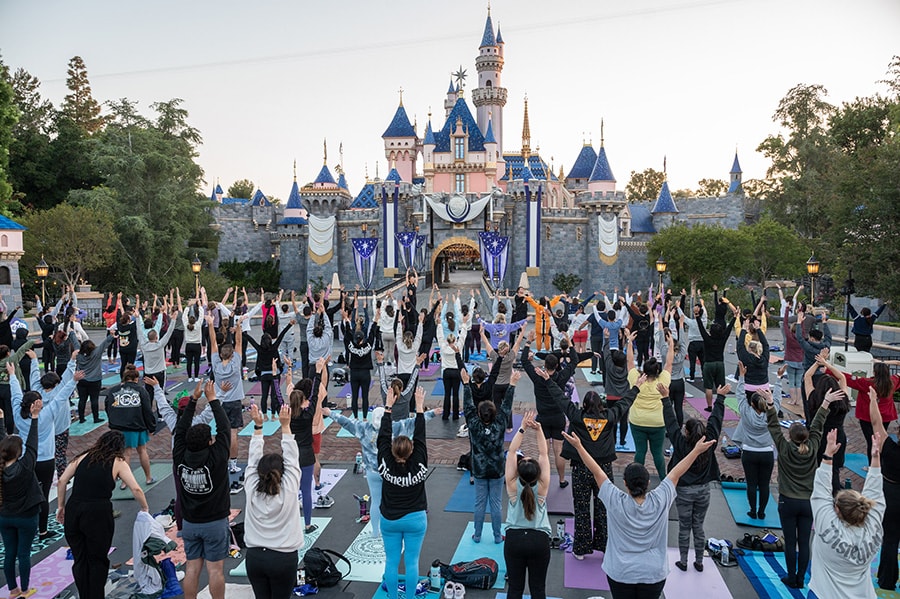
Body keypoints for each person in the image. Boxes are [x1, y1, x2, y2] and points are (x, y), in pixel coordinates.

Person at [563, 426, 715, 599]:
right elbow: (676, 473)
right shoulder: (660, 499)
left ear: (625, 484)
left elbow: (597, 471)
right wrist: (696, 451)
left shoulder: (615, 499)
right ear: (648, 482)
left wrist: (579, 447)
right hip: (653, 574)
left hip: (620, 573)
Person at [557, 368, 640, 559]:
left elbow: (560, 399)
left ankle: (581, 548)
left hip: (580, 469)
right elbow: (625, 402)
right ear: (601, 405)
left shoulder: (577, 417)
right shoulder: (609, 417)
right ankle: (604, 546)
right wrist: (636, 387)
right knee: (603, 509)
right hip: (603, 471)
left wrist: (548, 381)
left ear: (584, 405)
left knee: (581, 508)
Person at [56, 430, 149, 599]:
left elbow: (62, 480)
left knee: (80, 557)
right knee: (97, 558)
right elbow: (135, 488)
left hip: (74, 508)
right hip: (98, 512)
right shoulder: (118, 462)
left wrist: (61, 506)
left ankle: (84, 595)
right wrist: (145, 508)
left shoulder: (82, 457)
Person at [766, 384, 833, 590]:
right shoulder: (812, 447)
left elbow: (774, 427)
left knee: (791, 541)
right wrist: (825, 403)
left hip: (788, 500)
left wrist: (770, 403)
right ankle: (801, 578)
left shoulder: (785, 448)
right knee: (804, 542)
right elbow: (818, 426)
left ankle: (791, 576)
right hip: (807, 502)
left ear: (791, 437)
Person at [808, 427, 885, 599]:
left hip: (823, 593)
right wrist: (875, 457)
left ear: (837, 510)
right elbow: (875, 492)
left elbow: (821, 489)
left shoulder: (825, 524)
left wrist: (828, 454)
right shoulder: (873, 528)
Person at [173, 380, 231, 599]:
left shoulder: (180, 455)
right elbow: (225, 427)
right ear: (209, 442)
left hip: (190, 522)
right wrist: (213, 399)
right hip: (215, 522)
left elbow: (180, 430)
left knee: (192, 568)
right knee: (215, 570)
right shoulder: (216, 457)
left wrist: (194, 400)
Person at [661, 381, 726, 572]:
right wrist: (720, 398)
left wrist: (665, 399)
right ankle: (699, 561)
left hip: (684, 491)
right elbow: (715, 421)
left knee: (684, 526)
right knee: (698, 526)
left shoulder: (681, 444)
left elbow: (671, 423)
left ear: (686, 432)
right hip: (704, 491)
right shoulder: (709, 443)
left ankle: (683, 560)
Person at [13, 356, 79, 541]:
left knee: (27, 493)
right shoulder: (47, 413)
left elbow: (16, 394)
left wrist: (13, 376)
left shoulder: (20, 416)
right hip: (46, 460)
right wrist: (73, 377)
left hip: (27, 459)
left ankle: (26, 527)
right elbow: (63, 393)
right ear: (37, 404)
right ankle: (42, 530)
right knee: (42, 495)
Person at [244, 404, 303, 599]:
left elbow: (252, 461)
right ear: (281, 474)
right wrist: (285, 427)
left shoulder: (251, 487)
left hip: (255, 558)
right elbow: (293, 460)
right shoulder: (289, 487)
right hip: (283, 558)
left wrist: (258, 428)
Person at [379, 386, 430, 599]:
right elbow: (420, 435)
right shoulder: (419, 460)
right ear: (412, 451)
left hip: (389, 519)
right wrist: (419, 407)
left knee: (391, 561)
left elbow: (383, 435)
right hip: (415, 519)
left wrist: (388, 407)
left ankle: (392, 597)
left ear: (391, 451)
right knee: (412, 562)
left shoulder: (385, 460)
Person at [463, 366, 517, 544]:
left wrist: (466, 385)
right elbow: (507, 406)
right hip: (496, 469)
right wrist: (512, 385)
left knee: (479, 503)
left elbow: (468, 406)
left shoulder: (473, 423)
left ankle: (477, 535)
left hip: (478, 469)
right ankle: (496, 536)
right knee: (495, 504)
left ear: (479, 414)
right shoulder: (500, 422)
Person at [521, 331, 579, 487]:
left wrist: (528, 343)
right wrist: (570, 343)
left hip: (543, 418)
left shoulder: (538, 376)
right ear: (557, 366)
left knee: (543, 451)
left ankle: (543, 479)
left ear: (545, 365)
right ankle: (561, 479)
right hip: (558, 416)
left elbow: (524, 362)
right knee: (558, 449)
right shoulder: (561, 377)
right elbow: (574, 361)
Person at [503, 412, 551, 599]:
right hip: (539, 540)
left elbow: (512, 452)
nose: (527, 456)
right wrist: (539, 430)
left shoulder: (512, 484)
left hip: (514, 540)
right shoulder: (543, 485)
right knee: (538, 589)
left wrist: (522, 427)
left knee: (515, 588)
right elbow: (544, 453)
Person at [0, 399, 44, 599]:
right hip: (27, 516)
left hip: (5, 516)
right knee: (23, 553)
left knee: (9, 553)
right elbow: (33, 444)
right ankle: (25, 589)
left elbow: (4, 444)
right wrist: (35, 418)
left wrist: (1, 423)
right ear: (19, 453)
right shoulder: (26, 466)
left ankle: (12, 590)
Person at [733, 362, 782, 520]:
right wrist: (779, 379)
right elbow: (777, 401)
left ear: (752, 404)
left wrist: (742, 376)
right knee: (764, 484)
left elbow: (740, 395)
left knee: (751, 484)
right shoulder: (771, 415)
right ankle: (762, 512)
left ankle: (753, 510)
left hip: (749, 452)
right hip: (766, 452)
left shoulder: (746, 412)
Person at [627, 328, 674, 481]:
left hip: (637, 421)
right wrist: (671, 345)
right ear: (657, 370)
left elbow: (629, 363)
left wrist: (629, 343)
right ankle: (663, 479)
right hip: (657, 423)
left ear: (644, 370)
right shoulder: (662, 381)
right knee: (657, 454)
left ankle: (635, 481)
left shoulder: (636, 379)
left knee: (640, 452)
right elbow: (669, 363)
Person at [865, 387, 900, 591]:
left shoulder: (889, 447)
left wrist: (873, 401)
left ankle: (887, 580)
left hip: (889, 495)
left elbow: (876, 423)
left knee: (889, 539)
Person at [289, 358, 329, 533]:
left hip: (291, 453)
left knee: (290, 490)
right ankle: (307, 524)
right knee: (306, 490)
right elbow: (314, 395)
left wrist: (281, 373)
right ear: (304, 401)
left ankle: (289, 523)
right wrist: (319, 371)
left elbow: (280, 389)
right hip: (305, 454)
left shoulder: (287, 413)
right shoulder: (308, 414)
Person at [106, 364, 158, 487]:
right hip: (137, 425)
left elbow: (108, 407)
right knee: (142, 451)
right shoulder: (141, 390)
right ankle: (148, 477)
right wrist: (151, 427)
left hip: (119, 426)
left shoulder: (113, 390)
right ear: (136, 379)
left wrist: (112, 422)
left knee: (126, 453)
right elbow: (147, 409)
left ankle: (124, 481)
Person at [207, 314, 245, 479]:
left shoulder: (215, 363)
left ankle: (220, 461)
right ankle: (233, 464)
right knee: (233, 433)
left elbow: (213, 342)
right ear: (231, 354)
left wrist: (210, 324)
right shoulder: (236, 362)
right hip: (234, 401)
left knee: (220, 433)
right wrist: (238, 325)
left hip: (220, 401)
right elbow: (239, 342)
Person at [843, 360, 900, 462]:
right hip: (886, 417)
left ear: (874, 373)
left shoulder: (866, 383)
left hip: (867, 416)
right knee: (882, 440)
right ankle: (881, 463)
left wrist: (827, 368)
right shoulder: (893, 382)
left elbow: (845, 377)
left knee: (871, 441)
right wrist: (889, 362)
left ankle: (872, 466)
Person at [246, 319, 292, 419]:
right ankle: (273, 415)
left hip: (263, 374)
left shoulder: (259, 348)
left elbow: (251, 339)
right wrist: (289, 324)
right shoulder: (274, 347)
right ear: (270, 341)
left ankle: (265, 415)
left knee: (264, 395)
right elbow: (281, 335)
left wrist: (239, 331)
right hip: (274, 374)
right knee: (274, 396)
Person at [697, 305, 737, 411]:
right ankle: (719, 405)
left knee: (708, 387)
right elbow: (728, 330)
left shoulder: (707, 339)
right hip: (719, 363)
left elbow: (701, 329)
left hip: (708, 364)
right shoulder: (723, 339)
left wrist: (697, 317)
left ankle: (710, 406)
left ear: (711, 332)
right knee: (720, 386)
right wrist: (734, 317)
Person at [344, 313, 378, 420]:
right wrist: (376, 320)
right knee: (365, 397)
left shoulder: (350, 345)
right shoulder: (367, 345)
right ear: (363, 338)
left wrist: (346, 321)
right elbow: (372, 333)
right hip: (365, 373)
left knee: (354, 396)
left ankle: (355, 417)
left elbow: (347, 334)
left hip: (354, 373)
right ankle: (364, 417)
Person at [75, 335, 115, 423]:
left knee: (82, 400)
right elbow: (104, 344)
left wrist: (71, 333)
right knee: (94, 399)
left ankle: (81, 418)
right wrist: (111, 336)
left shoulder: (79, 355)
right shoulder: (96, 353)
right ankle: (95, 418)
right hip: (95, 380)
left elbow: (75, 343)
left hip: (81, 380)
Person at [435, 307, 466, 421]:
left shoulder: (443, 347)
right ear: (455, 340)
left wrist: (439, 324)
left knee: (447, 394)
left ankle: (445, 415)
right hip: (456, 371)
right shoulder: (459, 346)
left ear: (447, 340)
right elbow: (463, 336)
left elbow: (439, 336)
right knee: (456, 394)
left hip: (446, 372)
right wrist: (464, 324)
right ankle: (456, 415)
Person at [182, 301, 204, 382]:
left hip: (188, 345)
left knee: (189, 362)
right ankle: (196, 377)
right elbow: (201, 316)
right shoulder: (198, 325)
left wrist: (188, 306)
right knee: (197, 362)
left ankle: (189, 377)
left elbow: (184, 316)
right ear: (195, 320)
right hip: (197, 345)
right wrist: (200, 306)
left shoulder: (186, 325)